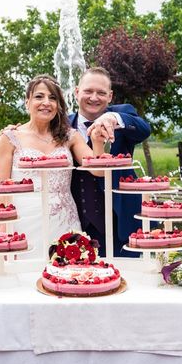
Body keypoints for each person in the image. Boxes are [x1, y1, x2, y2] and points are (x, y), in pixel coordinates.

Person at [0, 75, 105, 256]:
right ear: (27, 101)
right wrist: (3, 234)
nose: (46, 102)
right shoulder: (10, 137)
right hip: (24, 219)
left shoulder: (71, 136)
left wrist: (97, 142)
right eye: (39, 97)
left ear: (58, 105)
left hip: (64, 220)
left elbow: (98, 170)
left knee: (67, 274)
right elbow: (1, 191)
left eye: (52, 98)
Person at [69, 67, 151, 257]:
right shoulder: (63, 124)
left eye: (101, 93)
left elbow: (144, 129)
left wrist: (112, 118)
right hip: (75, 222)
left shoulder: (122, 114)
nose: (94, 97)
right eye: (88, 91)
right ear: (77, 92)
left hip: (120, 220)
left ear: (110, 96)